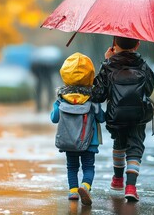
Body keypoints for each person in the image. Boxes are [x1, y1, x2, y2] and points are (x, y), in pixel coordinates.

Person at [91, 36, 154, 202]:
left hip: (116, 115)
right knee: (135, 147)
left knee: (119, 144)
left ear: (114, 44)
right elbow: (149, 89)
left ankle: (118, 179)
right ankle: (131, 187)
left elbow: (98, 94)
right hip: (138, 115)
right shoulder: (143, 65)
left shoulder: (109, 65)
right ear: (138, 45)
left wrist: (107, 62)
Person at [50, 52, 105, 206]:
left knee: (72, 167)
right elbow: (101, 118)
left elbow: (54, 118)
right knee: (88, 166)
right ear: (90, 76)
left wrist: (57, 106)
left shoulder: (61, 99)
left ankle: (73, 191)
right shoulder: (92, 99)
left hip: (69, 142)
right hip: (89, 142)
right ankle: (85, 186)